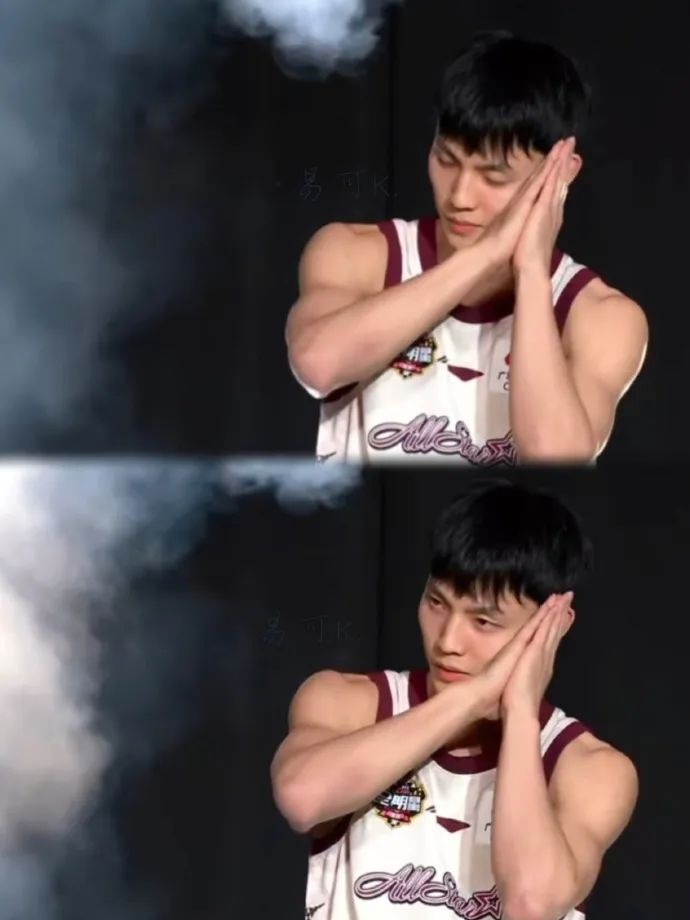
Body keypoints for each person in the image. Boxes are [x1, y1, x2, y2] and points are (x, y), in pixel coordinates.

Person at [271, 481, 638, 920]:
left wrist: (521, 713)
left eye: (483, 622)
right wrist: (474, 697)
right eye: (436, 602)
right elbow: (302, 798)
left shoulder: (588, 768)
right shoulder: (351, 703)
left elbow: (531, 904)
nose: (447, 641)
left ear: (553, 626)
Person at [286, 31, 648, 465]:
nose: (459, 196)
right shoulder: (357, 254)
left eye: (493, 177)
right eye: (446, 160)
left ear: (562, 174)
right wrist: (485, 254)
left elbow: (554, 459)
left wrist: (532, 273)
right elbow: (318, 365)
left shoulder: (600, 315)